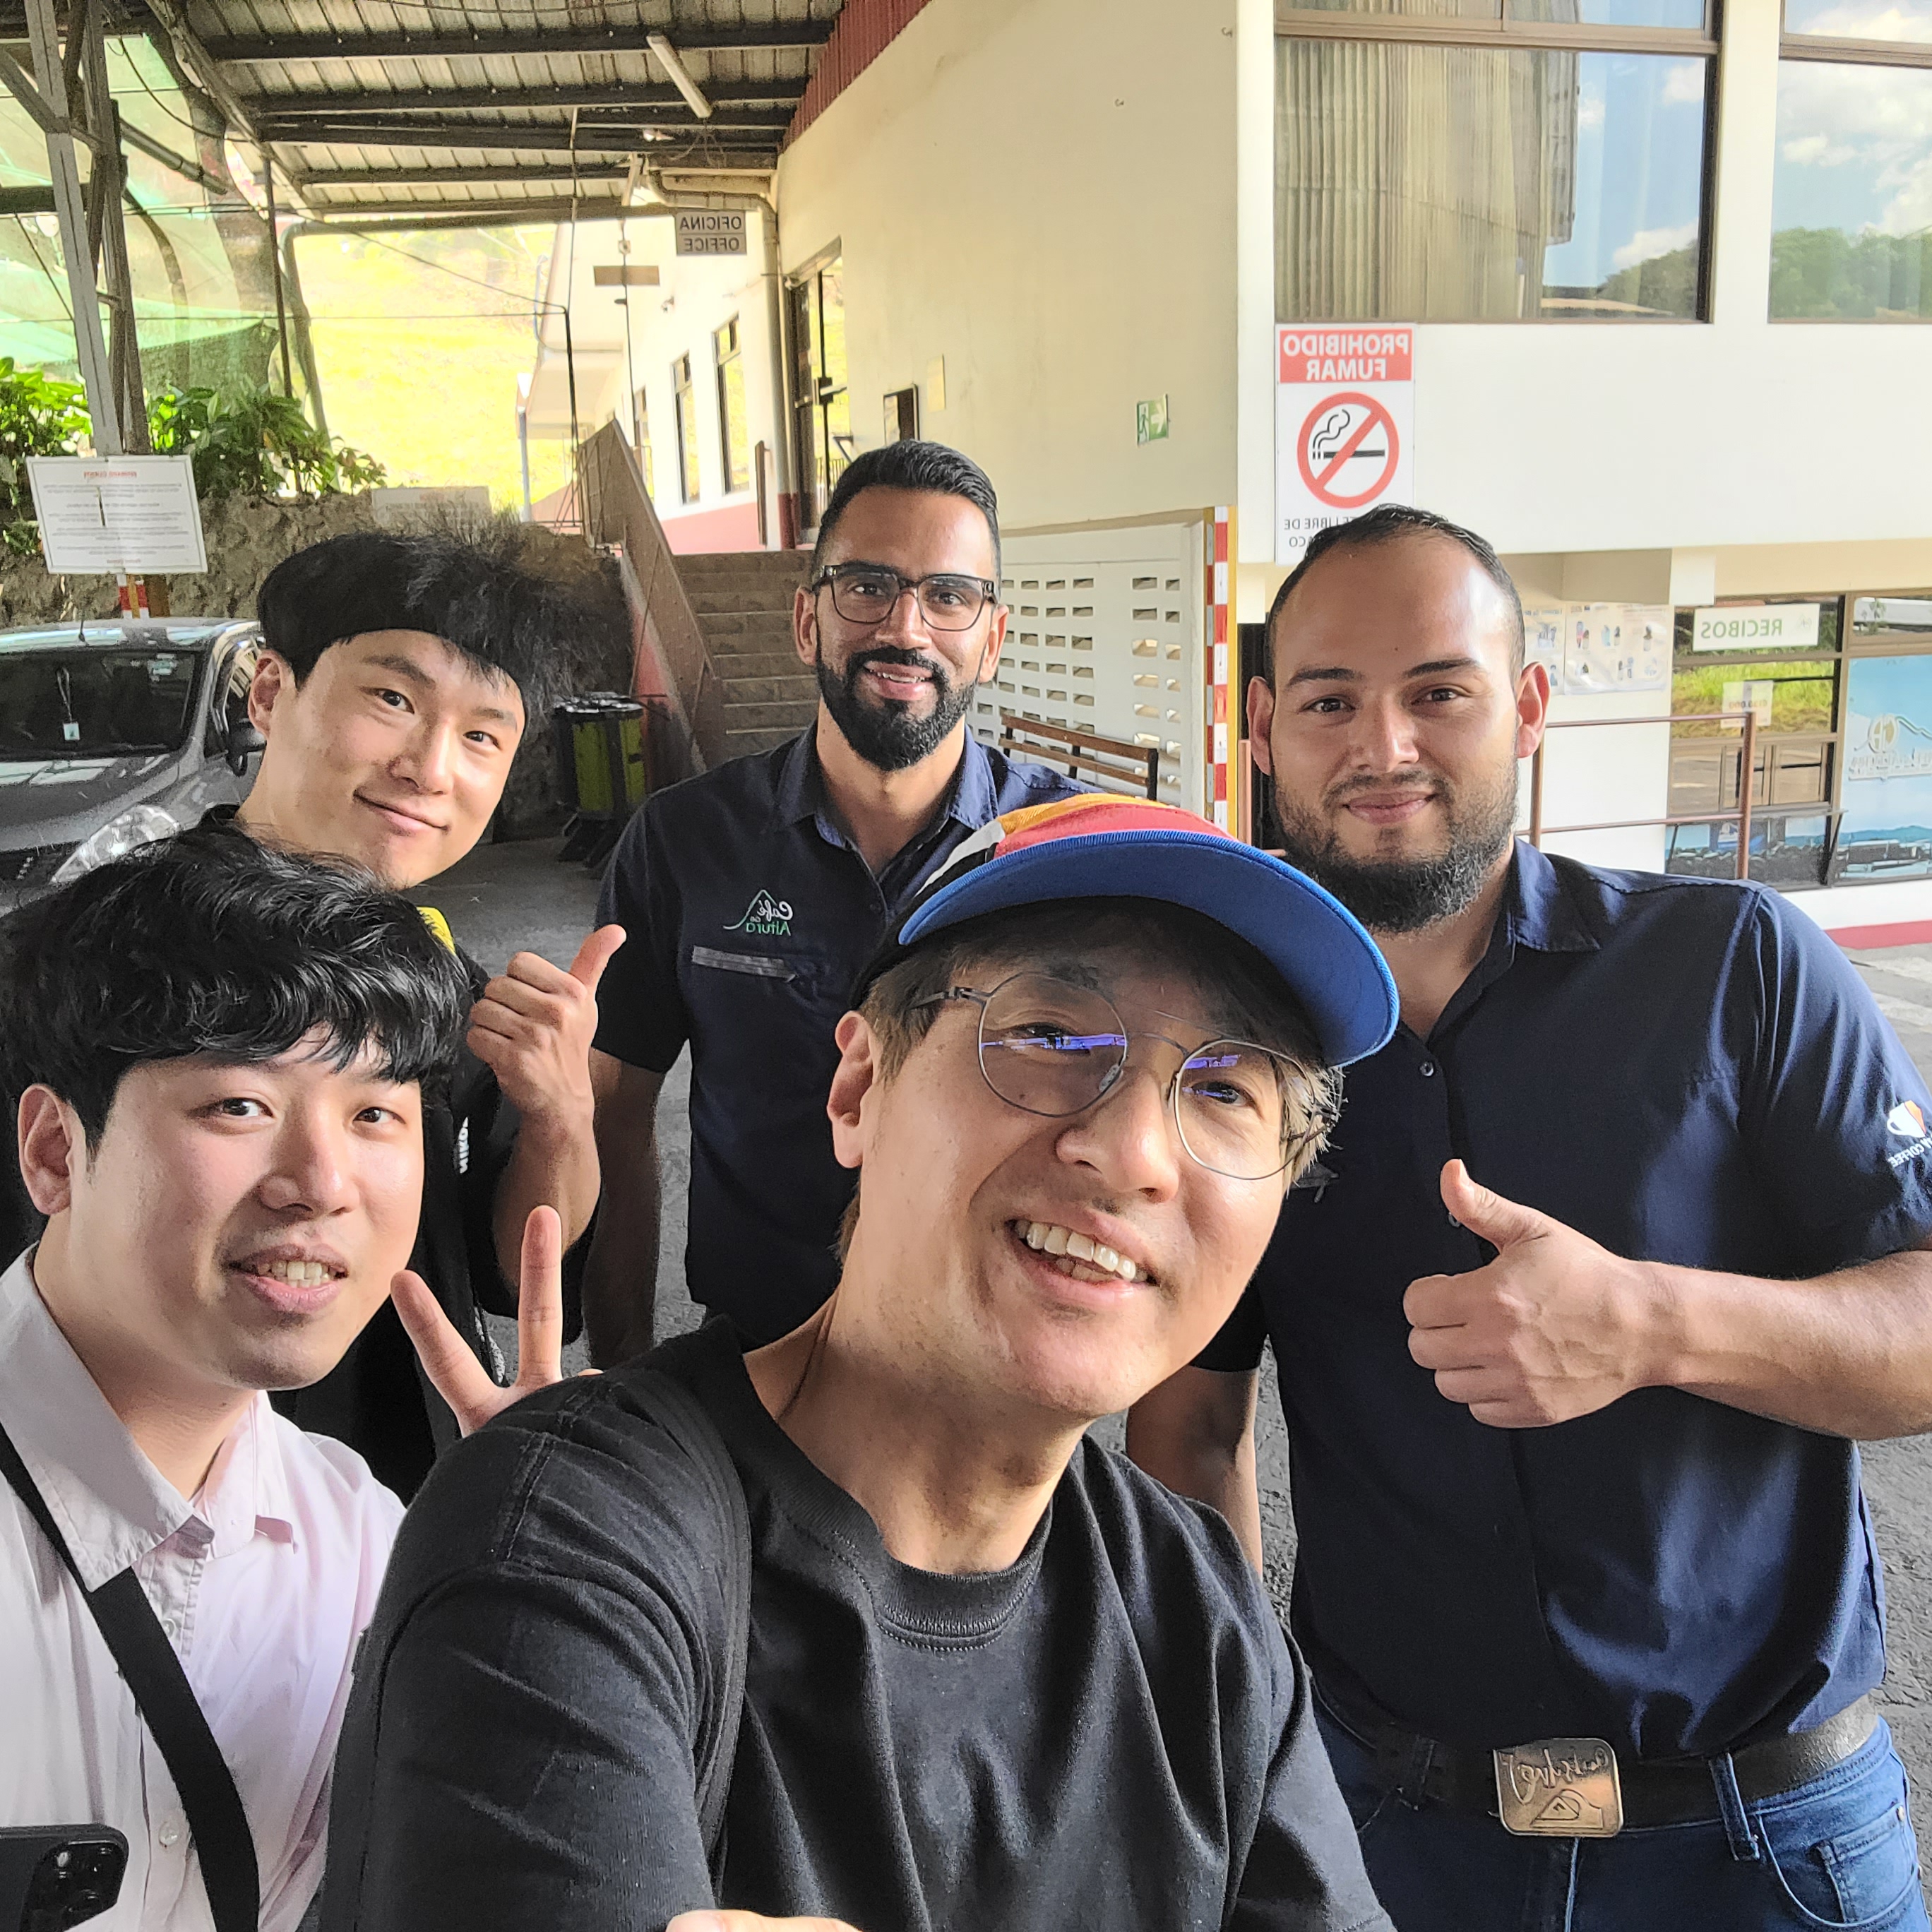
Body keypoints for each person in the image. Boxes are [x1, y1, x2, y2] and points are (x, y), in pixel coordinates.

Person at [320, 793, 1402, 1932]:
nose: (1134, 1153)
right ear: (858, 1089)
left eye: (1227, 1090)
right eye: (1049, 1036)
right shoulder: (562, 1549)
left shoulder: (1204, 1616)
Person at [1128, 503, 1932, 1931]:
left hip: (1769, 1843)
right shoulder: (1231, 1065)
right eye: (1330, 701)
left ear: (1531, 708)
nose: (1384, 746)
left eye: (1440, 692)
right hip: (1391, 1832)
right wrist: (1240, 1734)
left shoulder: (1738, 966)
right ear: (1261, 731)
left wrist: (1654, 1323)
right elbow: (1190, 1427)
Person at [1, 526, 623, 1497]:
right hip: (107, 1506)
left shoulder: (449, 989)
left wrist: (561, 1112)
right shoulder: (87, 960)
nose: (431, 768)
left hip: (398, 1493)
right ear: (269, 690)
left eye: (482, 736)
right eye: (393, 699)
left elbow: (512, 1271)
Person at [0, 832, 474, 1930]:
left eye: (375, 1115)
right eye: (239, 1107)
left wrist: (531, 1568)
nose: (322, 1183)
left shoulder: (358, 1537)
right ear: (57, 1152)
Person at [584, 440, 1085, 1365]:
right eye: (867, 587)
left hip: (992, 1368)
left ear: (992, 639)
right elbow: (614, 1117)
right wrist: (621, 1378)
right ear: (807, 621)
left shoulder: (1071, 850)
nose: (907, 629)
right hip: (748, 1358)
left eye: (948, 596)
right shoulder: (685, 842)